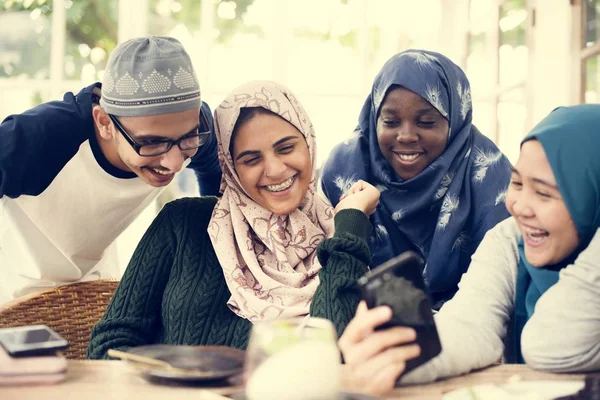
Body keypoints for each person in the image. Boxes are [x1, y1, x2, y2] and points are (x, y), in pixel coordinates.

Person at [87, 80, 380, 358]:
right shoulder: (182, 224)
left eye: (286, 148)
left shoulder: (339, 240)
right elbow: (109, 344)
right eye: (251, 159)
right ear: (230, 166)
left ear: (309, 143)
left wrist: (351, 223)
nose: (275, 170)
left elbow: (337, 353)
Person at [338, 104, 600, 396]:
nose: (518, 206)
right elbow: (471, 324)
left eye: (543, 193)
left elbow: (550, 347)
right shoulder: (511, 239)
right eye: (516, 182)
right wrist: (402, 354)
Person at [0, 36, 223, 304]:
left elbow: (214, 179)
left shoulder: (197, 128)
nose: (174, 164)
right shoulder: (39, 137)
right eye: (151, 143)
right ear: (105, 123)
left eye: (187, 139)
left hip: (91, 284)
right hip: (12, 285)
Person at [320, 49, 513, 306]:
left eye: (426, 122)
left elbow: (501, 290)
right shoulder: (345, 168)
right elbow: (331, 287)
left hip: (471, 324)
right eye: (390, 121)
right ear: (374, 117)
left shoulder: (488, 173)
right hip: (360, 324)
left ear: (455, 122)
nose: (407, 136)